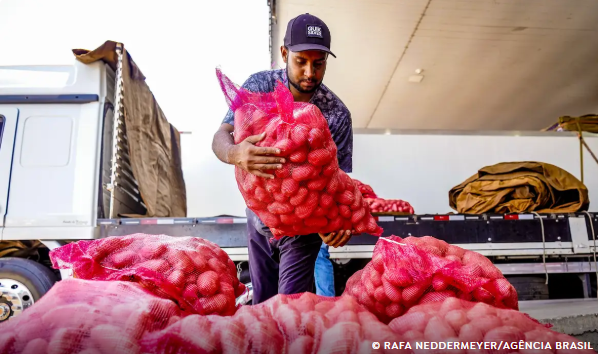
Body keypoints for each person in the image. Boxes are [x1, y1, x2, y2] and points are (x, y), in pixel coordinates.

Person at [212, 13, 353, 304]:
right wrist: (235, 152)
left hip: (304, 227)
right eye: (301, 61)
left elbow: (338, 182)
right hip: (258, 219)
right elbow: (221, 136)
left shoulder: (337, 114)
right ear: (285, 54)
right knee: (263, 305)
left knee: (290, 309)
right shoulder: (259, 86)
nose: (310, 73)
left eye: (319, 63)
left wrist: (338, 218)